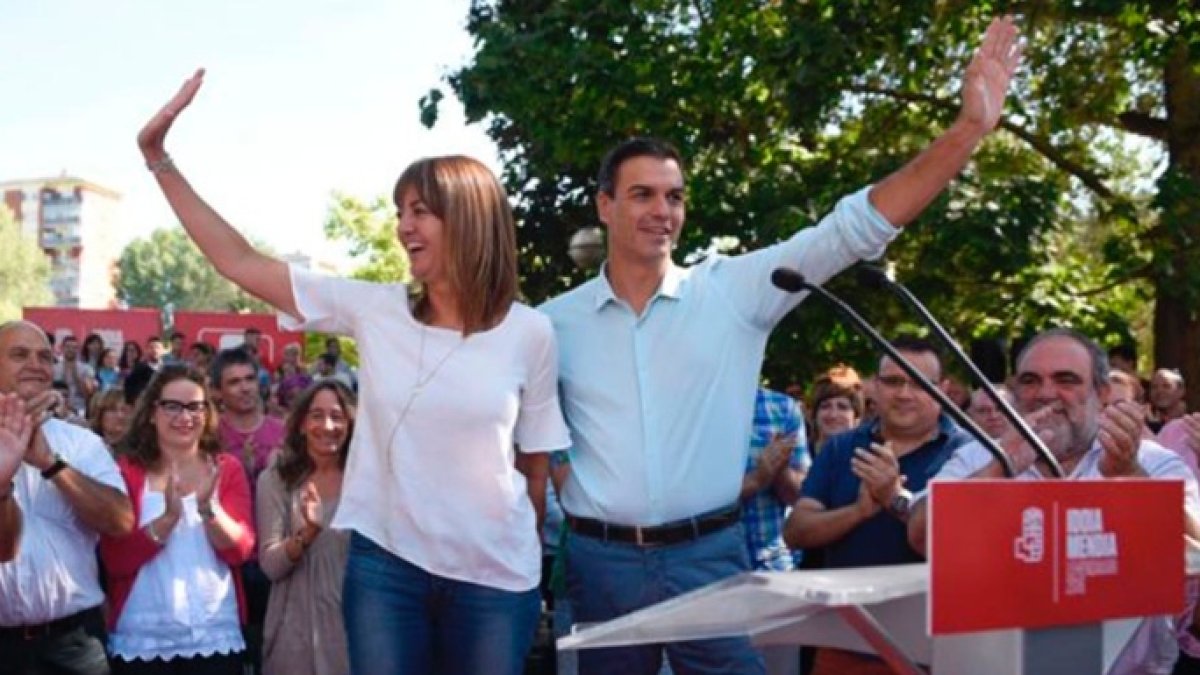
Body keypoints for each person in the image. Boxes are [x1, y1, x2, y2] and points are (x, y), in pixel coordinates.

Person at [538, 16, 1022, 674]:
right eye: (642, 194)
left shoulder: (733, 291)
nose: (663, 210)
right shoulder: (553, 322)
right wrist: (565, 474)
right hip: (601, 562)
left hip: (709, 554)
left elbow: (852, 228)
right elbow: (512, 411)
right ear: (603, 205)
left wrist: (966, 131)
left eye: (675, 196)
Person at [137, 73, 571, 675]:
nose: (403, 227)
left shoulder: (532, 333)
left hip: (495, 583)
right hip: (386, 570)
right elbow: (239, 262)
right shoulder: (376, 308)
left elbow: (537, 463)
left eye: (420, 211)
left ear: (469, 218)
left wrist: (522, 555)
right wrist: (159, 161)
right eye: (400, 212)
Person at [907, 329, 1200, 674]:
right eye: (1030, 381)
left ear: (1101, 393)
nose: (1046, 393)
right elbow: (921, 534)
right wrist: (1003, 466)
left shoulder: (1150, 460)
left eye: (1066, 380)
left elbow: (1196, 546)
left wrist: (1128, 478)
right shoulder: (979, 458)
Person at [785, 337, 970, 674]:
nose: (903, 393)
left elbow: (970, 550)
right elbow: (796, 531)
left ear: (943, 389)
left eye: (918, 383)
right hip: (846, 641)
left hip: (935, 649)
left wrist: (894, 500)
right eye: (893, 381)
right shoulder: (842, 448)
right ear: (873, 386)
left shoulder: (969, 455)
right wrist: (857, 513)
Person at [99, 365, 256, 674]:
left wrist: (208, 509)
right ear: (150, 413)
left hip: (214, 633)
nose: (184, 417)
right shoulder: (126, 471)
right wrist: (168, 519)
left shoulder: (227, 469)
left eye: (195, 406)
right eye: (172, 406)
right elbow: (115, 559)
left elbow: (240, 552)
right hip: (142, 637)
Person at [0, 321, 135, 675]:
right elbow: (4, 550)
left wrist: (50, 463)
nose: (36, 364)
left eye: (45, 356)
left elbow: (120, 522)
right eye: (19, 354)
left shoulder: (81, 443)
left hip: (73, 644)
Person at [256, 381, 355, 675]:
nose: (327, 426)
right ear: (300, 424)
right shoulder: (276, 480)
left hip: (355, 632)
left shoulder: (366, 481)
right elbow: (271, 566)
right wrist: (307, 534)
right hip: (295, 633)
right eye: (316, 415)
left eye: (337, 416)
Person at [741, 387, 808, 571]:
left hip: (772, 563)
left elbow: (800, 497)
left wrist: (781, 470)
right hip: (712, 569)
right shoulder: (695, 407)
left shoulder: (782, 407)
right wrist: (756, 480)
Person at [808, 365, 865, 453]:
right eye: (825, 406)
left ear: (856, 417)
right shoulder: (799, 455)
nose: (833, 415)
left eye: (842, 407)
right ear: (815, 414)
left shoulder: (867, 459)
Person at [54, 335, 98, 417]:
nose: (71, 350)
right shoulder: (54, 368)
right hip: (57, 407)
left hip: (80, 408)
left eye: (74, 347)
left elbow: (89, 394)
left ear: (78, 349)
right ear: (62, 348)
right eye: (68, 347)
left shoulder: (87, 369)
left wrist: (76, 376)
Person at [1148, 368, 1188, 434]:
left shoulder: (1193, 423)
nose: (1159, 391)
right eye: (1154, 387)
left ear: (1181, 391)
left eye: (1166, 386)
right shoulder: (1144, 422)